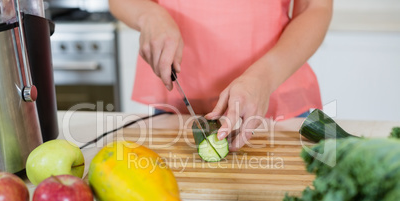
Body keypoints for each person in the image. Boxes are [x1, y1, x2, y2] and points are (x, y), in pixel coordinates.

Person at [109, 0, 333, 150]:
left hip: (277, 96)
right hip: (179, 102)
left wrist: (265, 78)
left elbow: (316, 8)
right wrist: (149, 14)